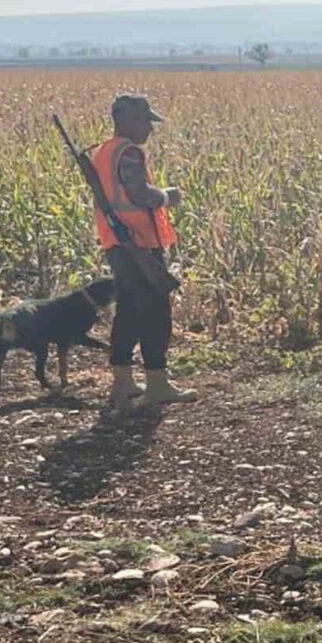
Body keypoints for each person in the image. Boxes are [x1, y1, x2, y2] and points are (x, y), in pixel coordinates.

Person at [91, 94, 196, 409]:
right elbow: (138, 193)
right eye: (145, 121)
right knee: (154, 313)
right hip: (138, 243)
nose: (149, 128)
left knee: (129, 311)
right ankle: (157, 384)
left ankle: (123, 381)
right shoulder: (129, 152)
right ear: (126, 121)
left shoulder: (103, 152)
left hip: (117, 243)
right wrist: (165, 196)